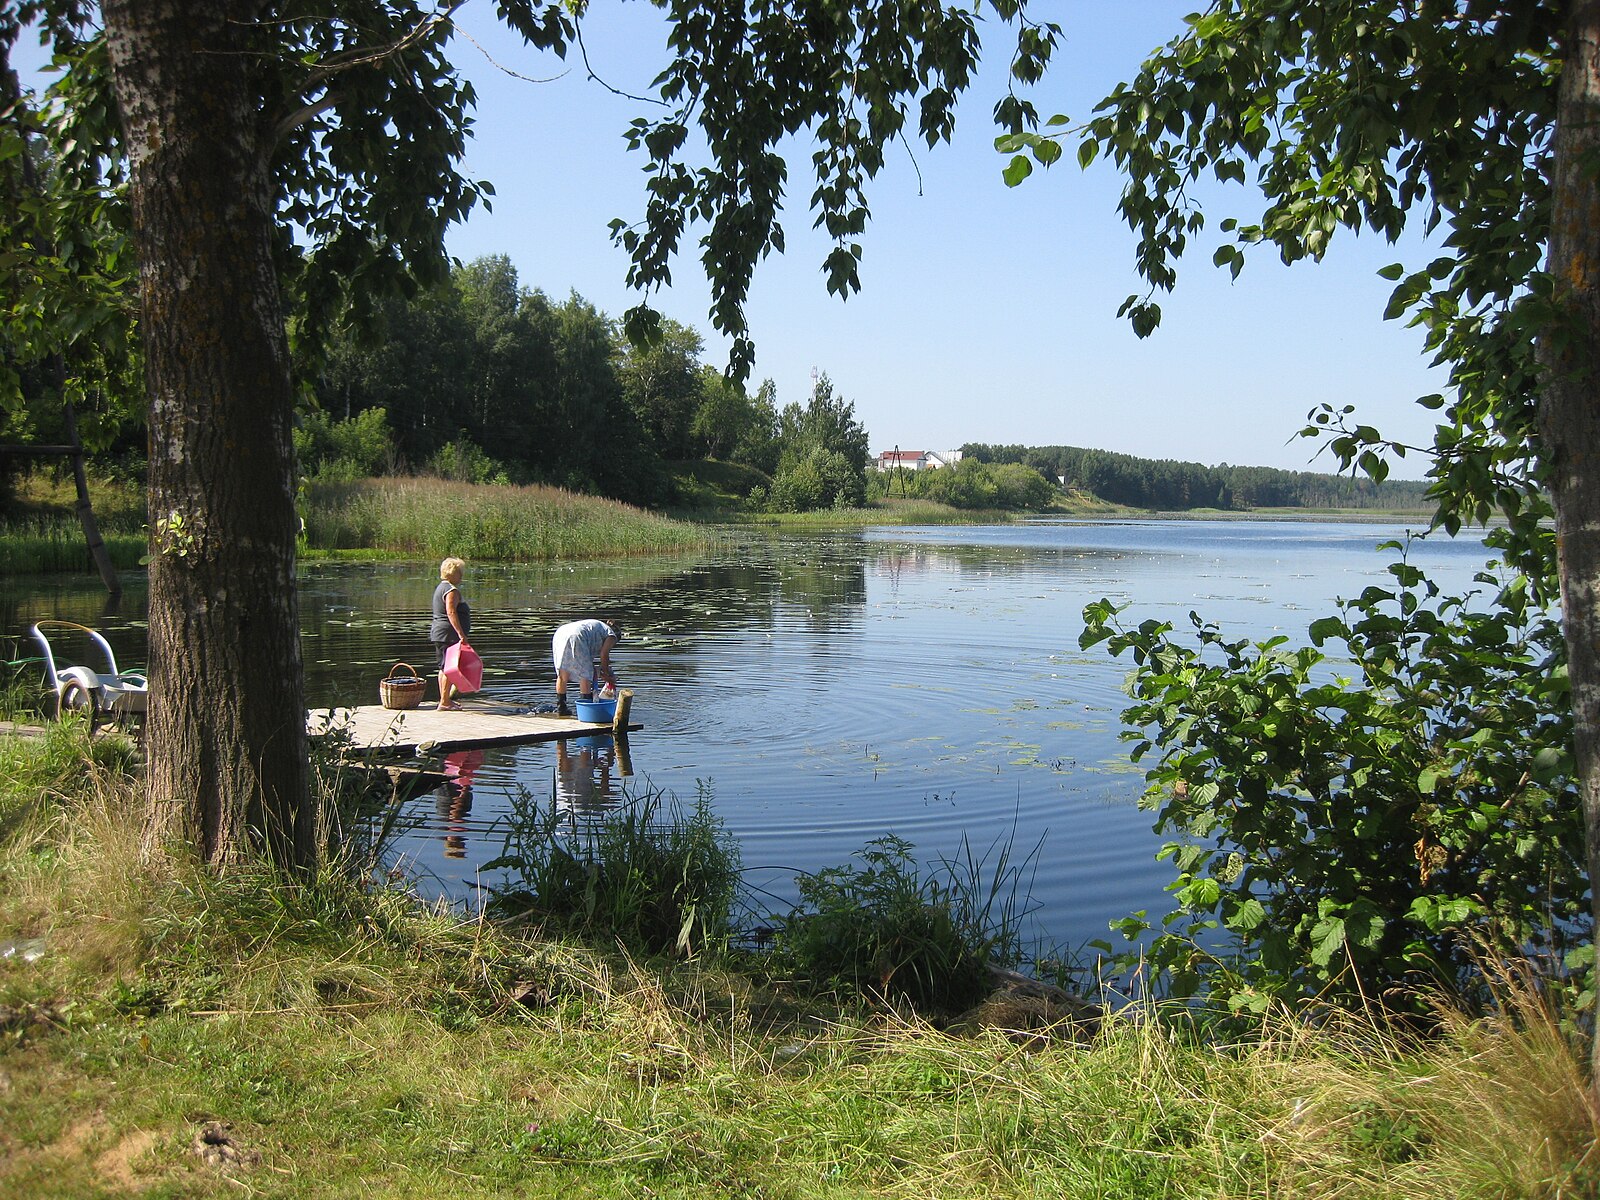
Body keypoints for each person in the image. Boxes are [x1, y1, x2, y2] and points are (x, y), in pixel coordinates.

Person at [550, 617, 621, 717]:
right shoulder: (612, 635)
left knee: (563, 673)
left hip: (560, 633)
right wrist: (607, 675)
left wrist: (601, 671)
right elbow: (604, 655)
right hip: (577, 636)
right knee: (585, 675)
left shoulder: (598, 628)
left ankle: (561, 708)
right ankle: (587, 710)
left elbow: (585, 659)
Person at [430, 556, 471, 710]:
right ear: (452, 573)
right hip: (448, 634)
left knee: (443, 667)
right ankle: (445, 701)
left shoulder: (440, 587)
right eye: (459, 572)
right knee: (449, 667)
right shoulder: (450, 590)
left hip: (439, 633)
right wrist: (461, 634)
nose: (461, 576)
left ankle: (444, 699)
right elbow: (451, 611)